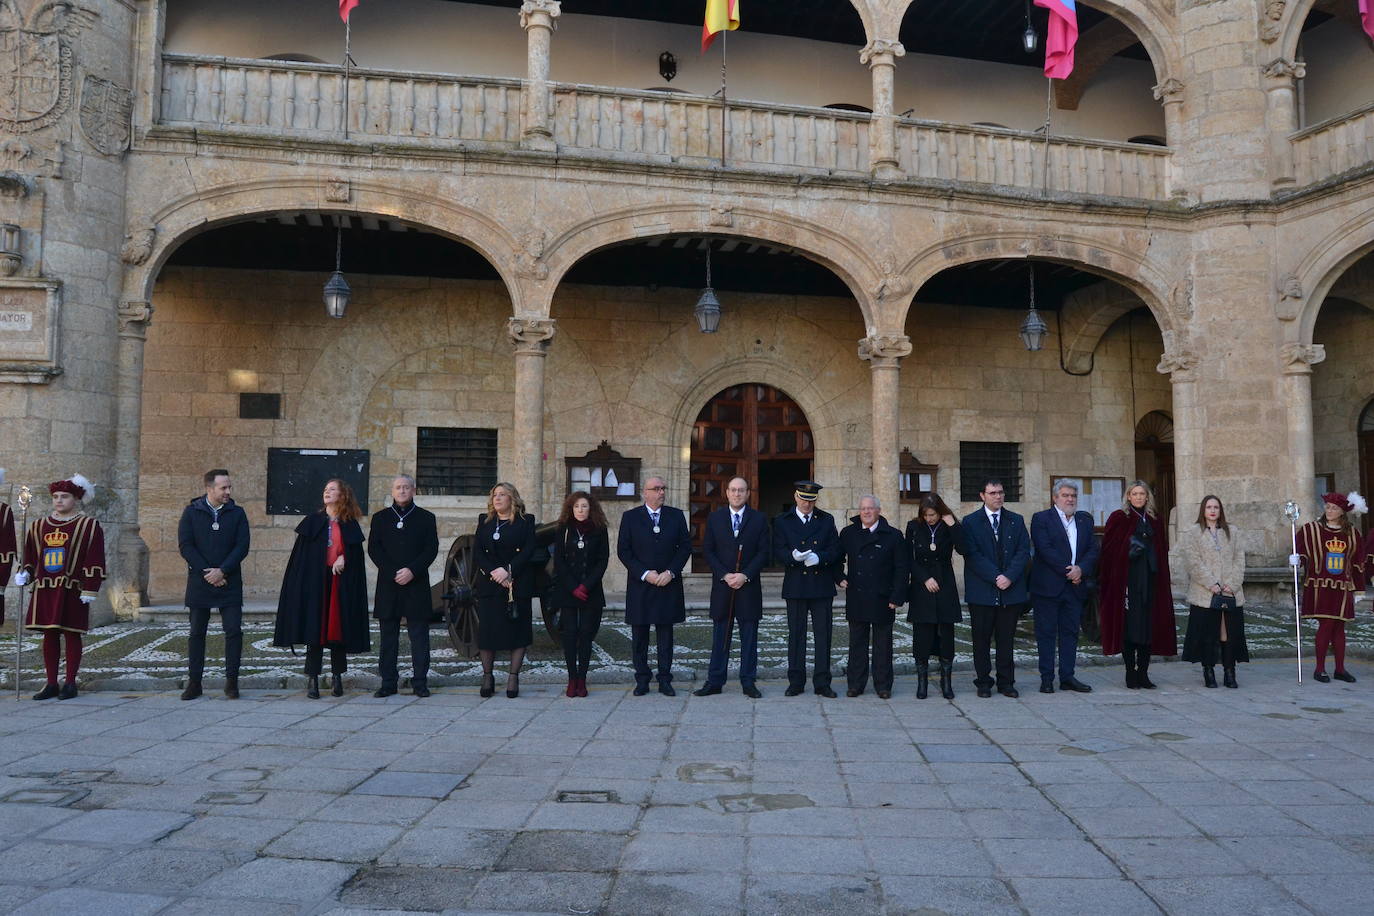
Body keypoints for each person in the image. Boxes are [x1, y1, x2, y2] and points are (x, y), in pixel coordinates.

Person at [273, 478, 370, 698]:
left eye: (332, 489)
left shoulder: (349, 524)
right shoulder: (312, 521)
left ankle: (337, 678)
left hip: (340, 583)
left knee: (337, 631)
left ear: (342, 495)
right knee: (314, 631)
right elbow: (300, 559)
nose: (327, 492)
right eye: (325, 489)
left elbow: (355, 556)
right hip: (315, 584)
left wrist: (344, 557)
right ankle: (313, 680)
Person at [15, 475, 106, 700]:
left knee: (72, 634)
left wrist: (90, 588)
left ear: (75, 499)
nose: (59, 500)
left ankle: (71, 682)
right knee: (49, 634)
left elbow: (94, 559)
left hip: (73, 587)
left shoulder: (88, 526)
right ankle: (51, 683)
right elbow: (31, 554)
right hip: (45, 587)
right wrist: (25, 572)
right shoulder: (37, 526)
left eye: (64, 496)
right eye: (55, 497)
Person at [178, 469, 251, 700]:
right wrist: (207, 572)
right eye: (223, 488)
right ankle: (195, 683)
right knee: (197, 633)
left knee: (233, 632)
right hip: (200, 581)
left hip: (229, 581)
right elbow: (186, 545)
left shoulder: (237, 514)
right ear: (209, 489)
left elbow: (242, 546)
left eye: (229, 487)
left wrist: (222, 571)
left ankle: (231, 682)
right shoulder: (191, 512)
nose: (228, 491)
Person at [695, 477, 771, 698]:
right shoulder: (715, 518)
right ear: (726, 493)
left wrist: (745, 575)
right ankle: (715, 681)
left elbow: (764, 552)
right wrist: (725, 575)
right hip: (723, 586)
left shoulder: (758, 519)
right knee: (720, 635)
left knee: (749, 637)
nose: (737, 494)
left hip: (748, 587)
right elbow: (708, 550)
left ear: (748, 493)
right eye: (733, 490)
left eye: (741, 490)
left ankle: (748, 682)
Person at [1098, 480, 1177, 689]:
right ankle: (1130, 672)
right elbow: (1109, 550)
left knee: (1148, 628)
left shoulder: (1155, 520)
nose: (1139, 497)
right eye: (1135, 494)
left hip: (1151, 582)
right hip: (1127, 582)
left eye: (1142, 494)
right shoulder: (1119, 517)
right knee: (1129, 629)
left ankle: (1143, 673)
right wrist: (1128, 549)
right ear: (1128, 496)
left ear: (1147, 497)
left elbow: (1162, 550)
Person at [617, 476, 691, 696]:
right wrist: (644, 573)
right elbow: (624, 551)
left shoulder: (676, 516)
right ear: (645, 492)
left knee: (665, 635)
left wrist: (671, 572)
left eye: (663, 488)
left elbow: (685, 548)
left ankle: (665, 679)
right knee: (639, 635)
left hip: (668, 584)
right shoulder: (630, 517)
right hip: (641, 585)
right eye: (656, 488)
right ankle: (642, 679)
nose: (661, 492)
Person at [368, 474, 439, 698]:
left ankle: (420, 682)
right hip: (388, 585)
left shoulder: (426, 518)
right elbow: (374, 549)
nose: (402, 491)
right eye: (398, 487)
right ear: (393, 491)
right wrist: (392, 572)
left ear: (414, 490)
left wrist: (412, 571)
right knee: (388, 636)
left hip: (415, 584)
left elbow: (431, 549)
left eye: (406, 487)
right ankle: (388, 682)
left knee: (419, 636)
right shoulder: (380, 518)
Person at [1029, 480, 1100, 694]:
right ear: (1055, 497)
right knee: (1046, 633)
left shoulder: (1084, 520)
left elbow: (1092, 550)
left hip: (1075, 588)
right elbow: (1045, 549)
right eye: (1065, 495)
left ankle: (1067, 677)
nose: (1070, 499)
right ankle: (1047, 678)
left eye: (1073, 496)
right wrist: (1070, 571)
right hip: (1048, 587)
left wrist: (1081, 569)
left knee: (1070, 633)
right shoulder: (1041, 519)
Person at [961, 478, 1030, 698]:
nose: (998, 496)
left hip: (1010, 591)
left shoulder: (1015, 520)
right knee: (981, 640)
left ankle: (1006, 682)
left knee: (1006, 639)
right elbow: (971, 554)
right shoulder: (970, 522)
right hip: (982, 591)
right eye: (992, 493)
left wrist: (1009, 576)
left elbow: (1023, 551)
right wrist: (996, 576)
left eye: (1000, 492)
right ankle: (983, 681)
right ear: (982, 495)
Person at [772, 480, 840, 697]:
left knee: (823, 635)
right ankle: (796, 681)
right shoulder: (783, 521)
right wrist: (792, 557)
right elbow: (777, 550)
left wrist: (820, 558)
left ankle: (822, 682)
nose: (806, 504)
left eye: (811, 500)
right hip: (796, 584)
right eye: (803, 499)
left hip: (821, 585)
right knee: (796, 635)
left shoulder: (826, 520)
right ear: (795, 497)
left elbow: (835, 550)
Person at [836, 494, 908, 699]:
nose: (866, 512)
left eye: (870, 508)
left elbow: (901, 569)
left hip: (883, 597)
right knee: (857, 643)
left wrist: (897, 596)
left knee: (882, 645)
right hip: (857, 596)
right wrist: (839, 577)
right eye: (863, 508)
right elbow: (836, 558)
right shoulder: (848, 533)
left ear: (879, 510)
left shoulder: (893, 536)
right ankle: (855, 684)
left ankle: (883, 685)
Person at [1290, 491, 1367, 683]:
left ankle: (1340, 669)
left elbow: (1357, 563)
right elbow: (1302, 552)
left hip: (1342, 587)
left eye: (1335, 508)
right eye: (1328, 507)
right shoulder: (1310, 530)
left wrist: (1358, 589)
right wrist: (1296, 559)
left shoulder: (1352, 534)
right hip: (1319, 586)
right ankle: (1320, 669)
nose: (1330, 510)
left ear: (1342, 512)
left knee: (1339, 627)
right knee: (1326, 624)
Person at [473, 482, 538, 698]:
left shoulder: (526, 521)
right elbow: (478, 552)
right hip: (490, 584)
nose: (497, 498)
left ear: (512, 498)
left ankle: (513, 677)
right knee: (488, 632)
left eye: (502, 494)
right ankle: (487, 676)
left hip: (515, 584)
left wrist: (509, 571)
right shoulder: (485, 520)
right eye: (494, 495)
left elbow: (529, 549)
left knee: (517, 630)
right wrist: (495, 571)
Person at [1181, 495, 1248, 688]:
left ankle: (1229, 671)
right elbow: (1193, 562)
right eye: (1209, 507)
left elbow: (1239, 559)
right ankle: (1208, 670)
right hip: (1205, 593)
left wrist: (1232, 584)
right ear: (1203, 510)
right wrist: (1211, 583)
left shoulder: (1232, 532)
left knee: (1228, 634)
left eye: (1216, 507)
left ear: (1220, 510)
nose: (1212, 510)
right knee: (1207, 634)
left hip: (1229, 592)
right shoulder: (1194, 533)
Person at [905, 493, 965, 700]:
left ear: (941, 512)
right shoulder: (913, 527)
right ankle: (922, 682)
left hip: (945, 584)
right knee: (922, 633)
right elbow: (908, 558)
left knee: (946, 633)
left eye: (933, 514)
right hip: (922, 586)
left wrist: (953, 525)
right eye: (926, 514)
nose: (929, 518)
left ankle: (946, 681)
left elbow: (964, 548)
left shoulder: (949, 525)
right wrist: (924, 578)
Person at [551, 490, 610, 698]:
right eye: (576, 506)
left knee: (586, 634)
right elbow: (558, 560)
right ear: (571, 508)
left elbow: (603, 560)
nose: (580, 510)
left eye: (584, 506)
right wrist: (573, 586)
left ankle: (582, 679)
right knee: (570, 635)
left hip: (590, 591)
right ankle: (571, 679)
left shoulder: (599, 529)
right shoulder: (563, 529)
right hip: (568, 591)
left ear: (591, 508)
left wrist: (586, 586)